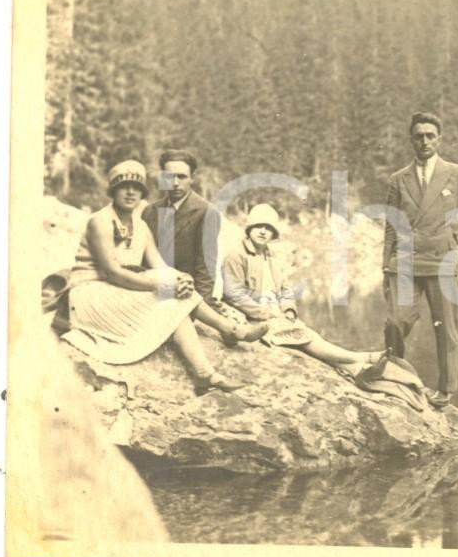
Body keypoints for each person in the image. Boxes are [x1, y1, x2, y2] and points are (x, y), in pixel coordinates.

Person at [62, 160, 268, 395]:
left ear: (142, 192)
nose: (130, 192)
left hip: (117, 290)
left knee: (172, 289)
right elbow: (113, 273)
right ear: (112, 190)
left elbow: (159, 265)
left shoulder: (140, 226)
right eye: (123, 186)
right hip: (91, 294)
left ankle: (206, 369)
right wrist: (164, 284)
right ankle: (227, 334)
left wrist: (181, 279)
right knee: (167, 296)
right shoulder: (100, 221)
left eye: (136, 187)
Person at [382, 112, 458, 408]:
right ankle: (394, 376)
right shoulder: (398, 179)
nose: (424, 141)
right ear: (411, 139)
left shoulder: (456, 173)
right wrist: (386, 265)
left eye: (430, 136)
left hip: (441, 258)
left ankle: (446, 390)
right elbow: (390, 225)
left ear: (439, 139)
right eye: (419, 136)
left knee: (445, 326)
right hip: (406, 259)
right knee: (397, 320)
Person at [222, 203, 383, 377]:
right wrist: (265, 313)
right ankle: (362, 358)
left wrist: (289, 309)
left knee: (308, 335)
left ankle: (354, 368)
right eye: (258, 226)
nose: (262, 231)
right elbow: (233, 294)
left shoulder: (272, 256)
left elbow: (285, 290)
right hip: (251, 318)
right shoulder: (236, 255)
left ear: (273, 234)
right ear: (249, 228)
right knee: (308, 338)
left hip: (274, 313)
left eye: (268, 228)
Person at [141, 149, 224, 313]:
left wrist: (197, 310)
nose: (175, 183)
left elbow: (205, 270)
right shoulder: (149, 211)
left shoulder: (206, 212)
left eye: (182, 176)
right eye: (169, 177)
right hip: (151, 291)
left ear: (192, 178)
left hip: (185, 296)